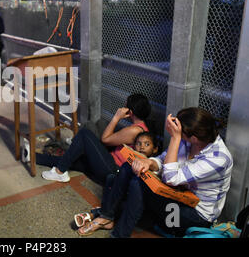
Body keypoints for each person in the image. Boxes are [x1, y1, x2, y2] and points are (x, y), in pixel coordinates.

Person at [77, 107, 233, 238]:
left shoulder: (219, 158)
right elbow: (162, 160)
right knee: (128, 167)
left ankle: (118, 234)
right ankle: (106, 216)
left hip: (191, 217)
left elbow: (171, 178)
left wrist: (175, 138)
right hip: (177, 196)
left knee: (138, 184)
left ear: (193, 138)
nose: (176, 134)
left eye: (179, 133)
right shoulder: (188, 141)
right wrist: (148, 162)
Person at [39, 93, 152, 184]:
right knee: (72, 160)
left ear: (130, 112)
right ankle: (34, 157)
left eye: (125, 106)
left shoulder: (135, 130)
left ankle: (60, 172)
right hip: (110, 164)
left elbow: (105, 140)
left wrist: (116, 117)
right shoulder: (141, 127)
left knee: (84, 134)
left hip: (113, 169)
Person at [73, 131, 159, 228]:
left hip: (137, 203)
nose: (142, 147)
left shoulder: (154, 165)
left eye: (147, 144)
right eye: (139, 144)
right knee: (111, 179)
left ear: (155, 149)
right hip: (122, 196)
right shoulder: (133, 161)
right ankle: (104, 214)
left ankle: (100, 214)